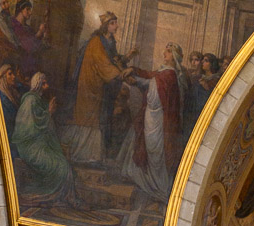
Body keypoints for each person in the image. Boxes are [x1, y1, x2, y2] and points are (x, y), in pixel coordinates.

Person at [61, 12, 134, 163]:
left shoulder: (110, 42)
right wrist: (122, 76)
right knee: (88, 117)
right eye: (113, 23)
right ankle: (84, 155)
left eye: (116, 23)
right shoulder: (96, 42)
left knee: (99, 118)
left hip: (100, 85)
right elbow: (104, 64)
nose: (116, 26)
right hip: (90, 84)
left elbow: (114, 61)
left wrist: (127, 57)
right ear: (106, 26)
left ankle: (93, 156)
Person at [117, 42, 185, 201]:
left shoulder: (170, 75)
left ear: (174, 56)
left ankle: (158, 184)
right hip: (149, 115)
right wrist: (134, 75)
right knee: (145, 145)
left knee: (156, 150)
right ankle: (142, 177)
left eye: (168, 52)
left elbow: (152, 82)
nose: (164, 54)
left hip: (159, 119)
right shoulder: (162, 72)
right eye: (165, 51)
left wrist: (135, 78)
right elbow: (150, 79)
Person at [13, 72, 76, 205]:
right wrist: (49, 113)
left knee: (63, 163)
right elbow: (30, 126)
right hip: (29, 146)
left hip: (39, 144)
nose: (47, 86)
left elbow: (43, 124)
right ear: (37, 85)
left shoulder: (38, 100)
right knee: (61, 166)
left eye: (46, 83)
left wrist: (49, 113)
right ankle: (49, 195)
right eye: (44, 83)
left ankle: (62, 197)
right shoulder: (30, 100)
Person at [11, 0, 50, 80]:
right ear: (20, 10)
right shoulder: (13, 25)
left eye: (30, 10)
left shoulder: (28, 28)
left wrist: (44, 35)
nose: (30, 12)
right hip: (19, 61)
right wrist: (39, 32)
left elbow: (36, 45)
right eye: (27, 9)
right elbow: (27, 45)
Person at [0, 64, 21, 160]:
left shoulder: (11, 91)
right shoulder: (2, 96)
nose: (13, 77)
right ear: (3, 77)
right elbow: (9, 120)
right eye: (10, 74)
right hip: (9, 136)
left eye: (13, 74)